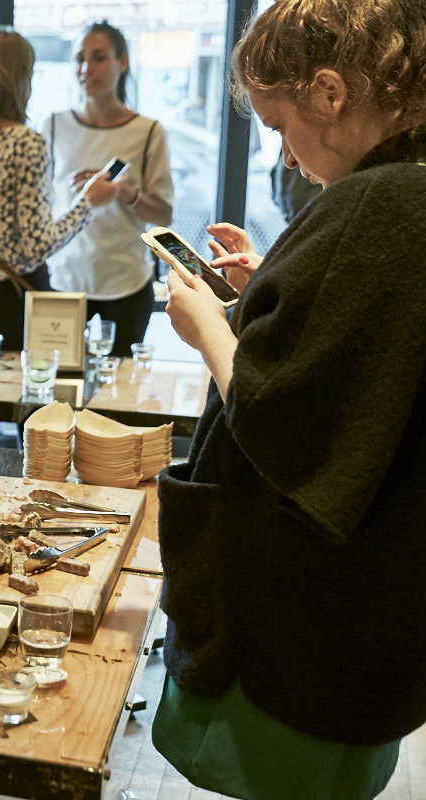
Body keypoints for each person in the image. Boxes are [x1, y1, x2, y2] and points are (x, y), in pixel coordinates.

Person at [155, 1, 426, 797]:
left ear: (332, 94)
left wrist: (207, 325)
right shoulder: (404, 195)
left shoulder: (377, 205)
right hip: (378, 598)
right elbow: (357, 353)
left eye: (280, 125)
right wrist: (272, 282)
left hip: (302, 618)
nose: (286, 151)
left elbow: (284, 416)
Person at [0, 26, 119, 350]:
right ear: (18, 79)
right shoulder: (24, 142)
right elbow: (36, 247)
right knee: (13, 397)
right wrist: (87, 202)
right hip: (7, 302)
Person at [41, 21, 174, 356]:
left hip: (125, 282)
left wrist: (126, 192)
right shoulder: (54, 125)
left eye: (98, 57)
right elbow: (39, 204)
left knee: (118, 395)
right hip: (63, 281)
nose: (86, 68)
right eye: (79, 59)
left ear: (123, 62)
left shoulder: (148, 132)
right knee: (57, 387)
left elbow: (164, 215)